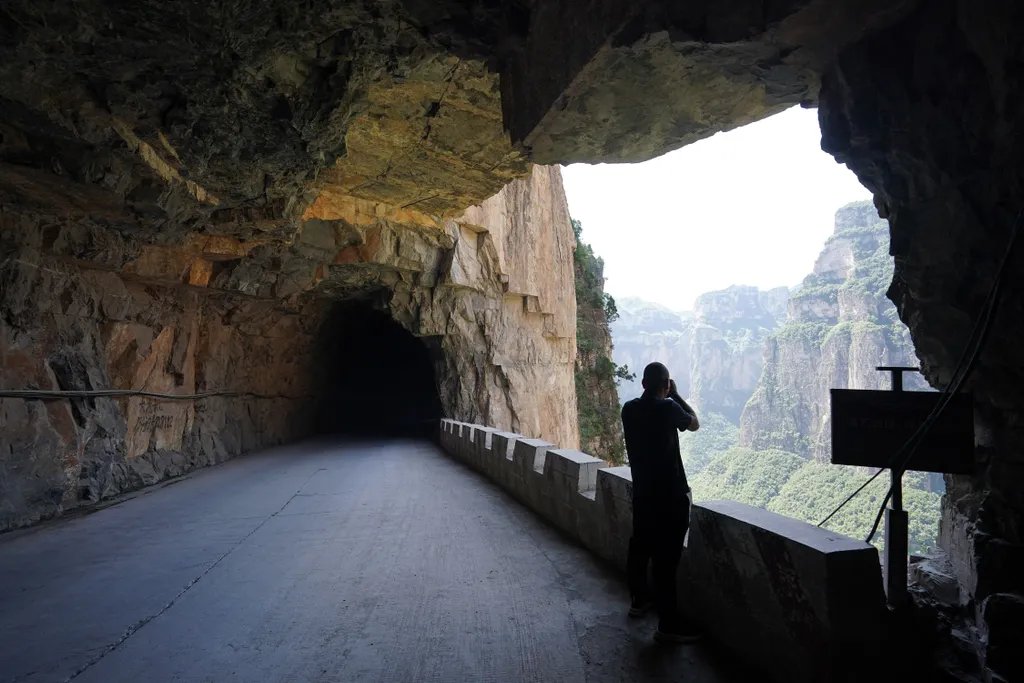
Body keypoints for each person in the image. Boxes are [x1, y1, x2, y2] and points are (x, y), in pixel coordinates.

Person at [620, 361, 700, 644]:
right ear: (665, 385)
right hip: (670, 496)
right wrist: (675, 395)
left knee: (640, 549)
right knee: (667, 562)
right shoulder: (668, 408)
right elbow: (694, 424)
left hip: (643, 494)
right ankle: (668, 626)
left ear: (643, 384)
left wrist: (665, 394)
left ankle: (638, 602)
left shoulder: (629, 409)